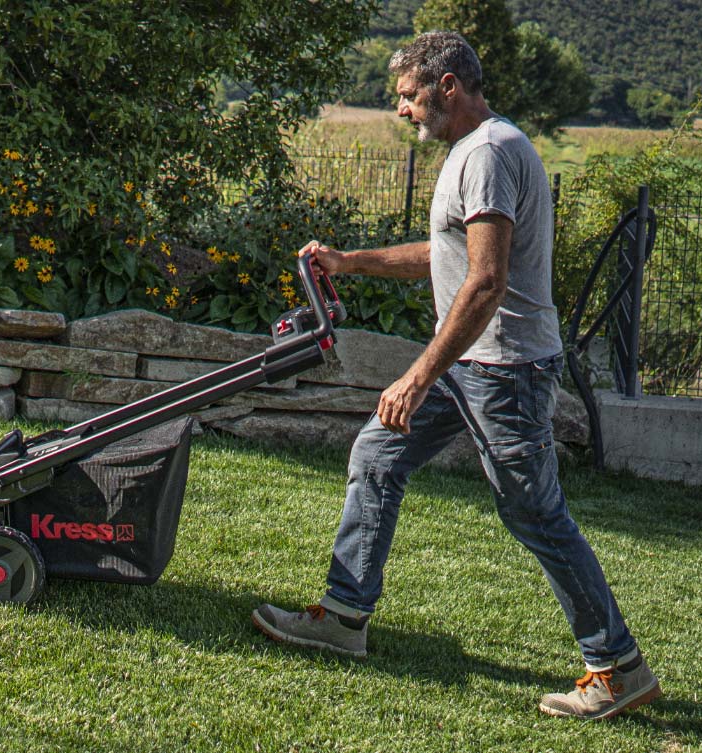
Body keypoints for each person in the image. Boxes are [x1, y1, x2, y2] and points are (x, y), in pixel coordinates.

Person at [249, 31, 660, 721]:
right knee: (376, 453)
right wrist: (351, 261)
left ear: (447, 87)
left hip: (504, 371)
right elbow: (445, 256)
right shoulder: (469, 152)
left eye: (409, 97)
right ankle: (344, 614)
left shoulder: (491, 153)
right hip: (472, 365)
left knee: (535, 515)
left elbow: (484, 281)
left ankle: (617, 665)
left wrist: (414, 376)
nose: (402, 111)